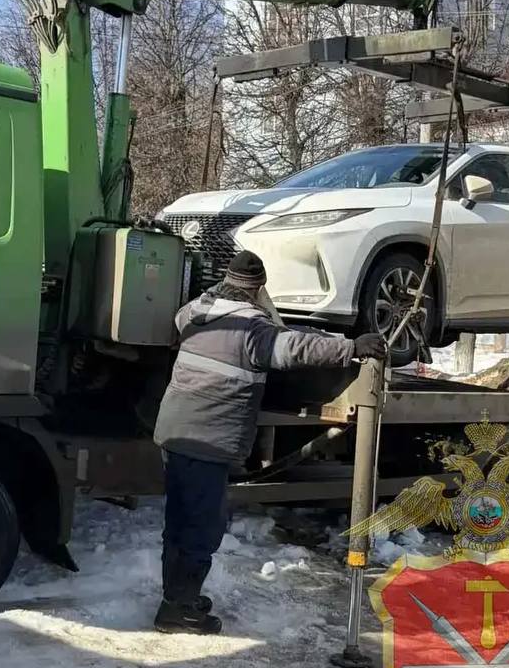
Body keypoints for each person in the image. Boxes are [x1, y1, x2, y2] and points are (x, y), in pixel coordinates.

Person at [152, 250, 387, 635]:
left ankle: (178, 597)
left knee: (178, 522)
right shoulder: (252, 329)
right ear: (259, 289)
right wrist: (352, 347)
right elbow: (295, 348)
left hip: (176, 433)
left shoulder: (194, 311)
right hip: (208, 440)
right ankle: (177, 610)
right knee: (202, 528)